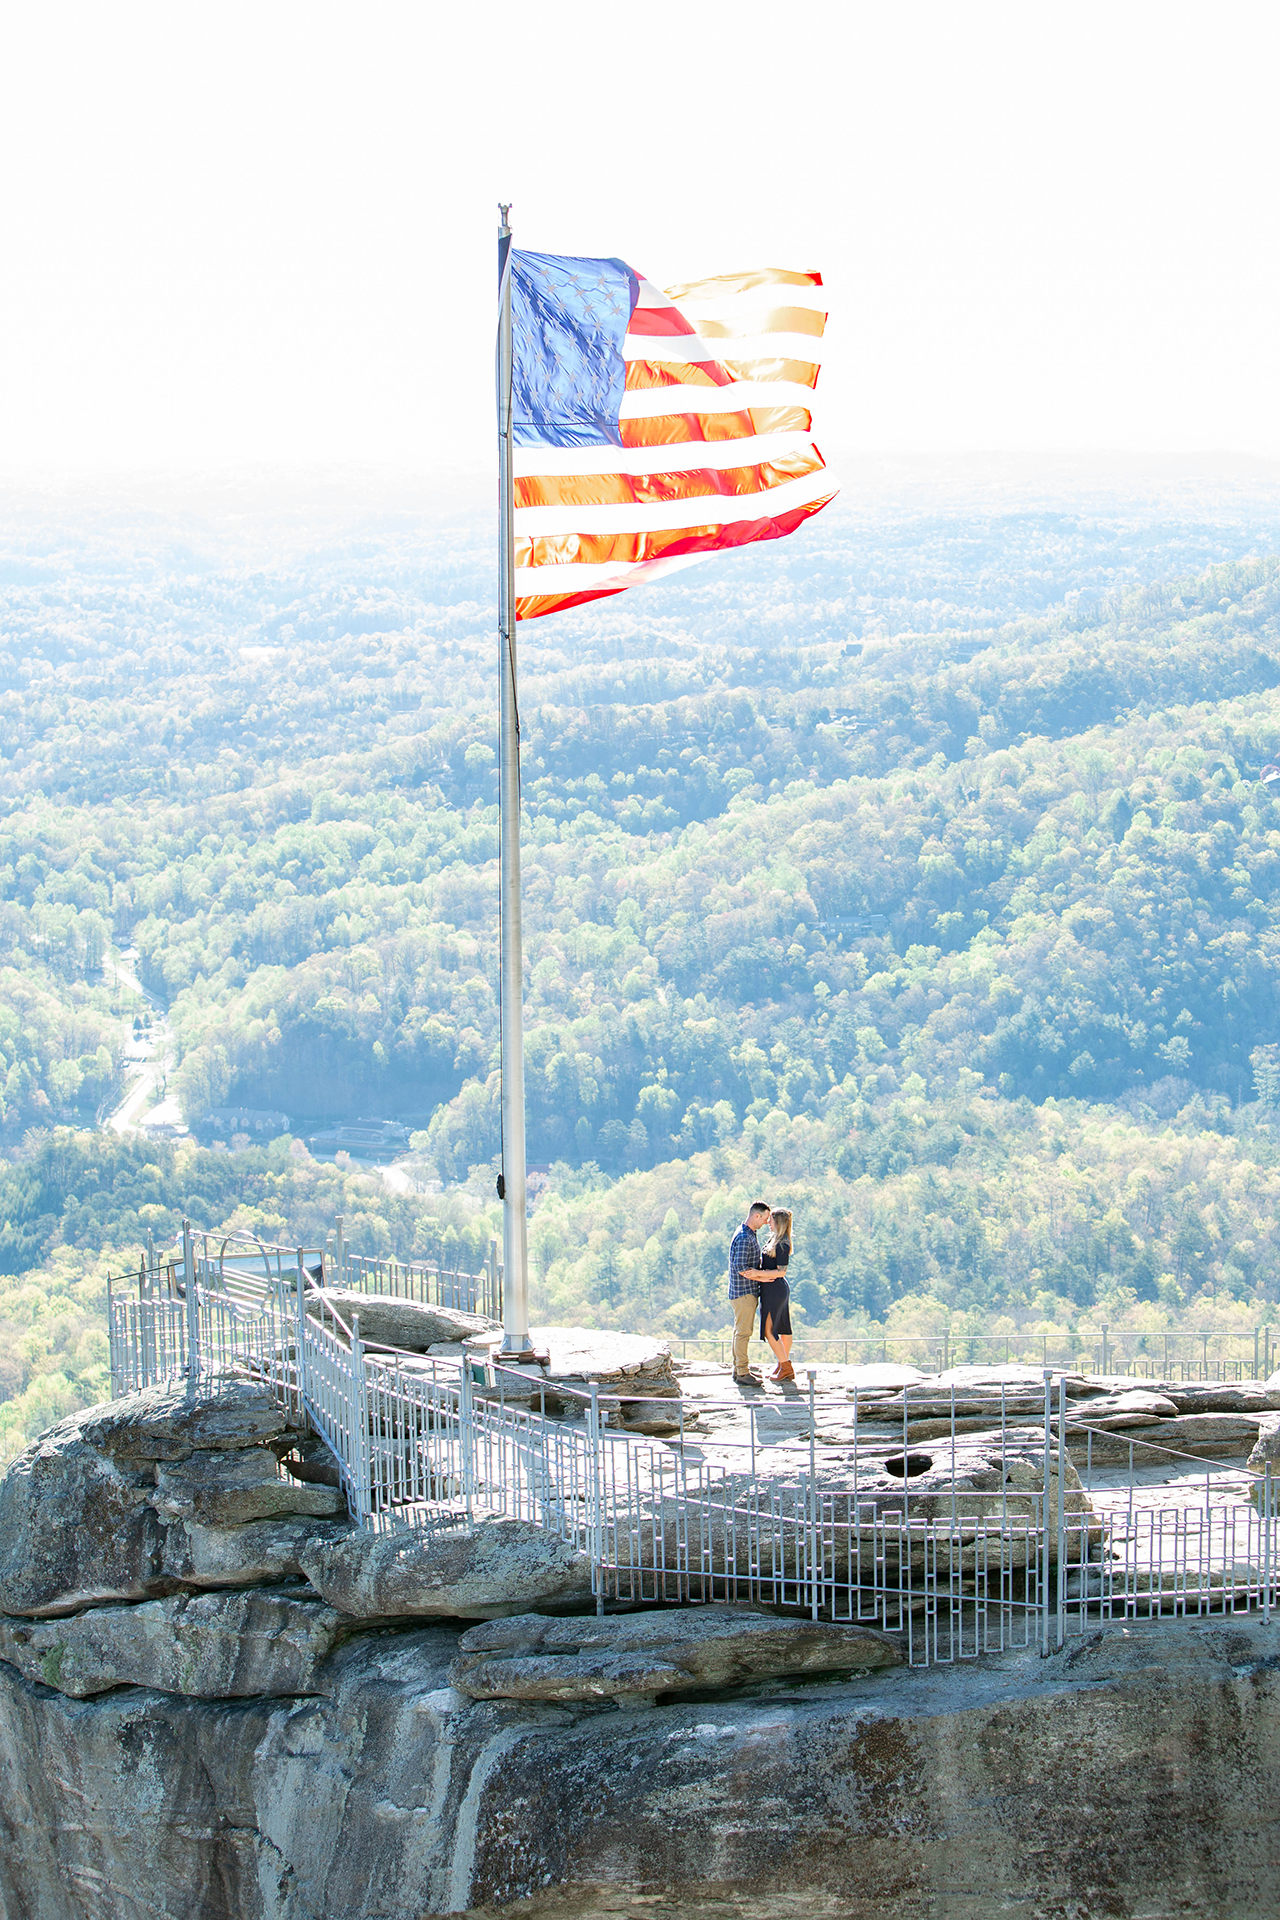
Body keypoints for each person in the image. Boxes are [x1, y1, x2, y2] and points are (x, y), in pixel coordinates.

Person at [728, 1201, 771, 1384]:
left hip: (742, 1291)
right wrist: (761, 1277)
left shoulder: (746, 1232)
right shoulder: (745, 1237)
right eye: (765, 1218)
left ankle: (739, 1368)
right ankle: (743, 1373)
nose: (766, 1223)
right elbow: (740, 1267)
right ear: (757, 1216)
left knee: (740, 1331)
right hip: (744, 1292)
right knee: (744, 1333)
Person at [757, 1207, 794, 1383]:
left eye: (770, 1219)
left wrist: (757, 1274)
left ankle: (785, 1365)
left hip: (775, 1290)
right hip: (774, 1289)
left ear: (777, 1222)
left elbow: (781, 1272)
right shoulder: (776, 1240)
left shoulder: (782, 1244)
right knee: (783, 1328)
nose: (767, 1222)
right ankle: (783, 1363)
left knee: (769, 1330)